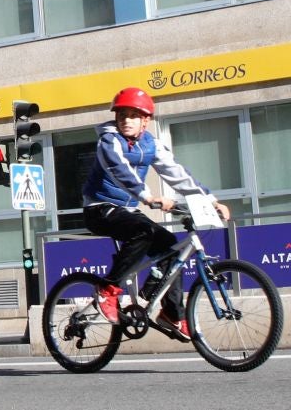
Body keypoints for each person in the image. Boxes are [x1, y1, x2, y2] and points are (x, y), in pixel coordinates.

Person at [78, 86, 229, 338]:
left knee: (170, 245)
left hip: (126, 209)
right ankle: (108, 290)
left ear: (145, 120)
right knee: (144, 231)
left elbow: (176, 173)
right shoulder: (109, 140)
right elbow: (119, 170)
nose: (126, 120)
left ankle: (172, 314)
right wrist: (148, 197)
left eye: (133, 115)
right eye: (122, 114)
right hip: (99, 208)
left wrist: (211, 200)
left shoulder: (151, 144)